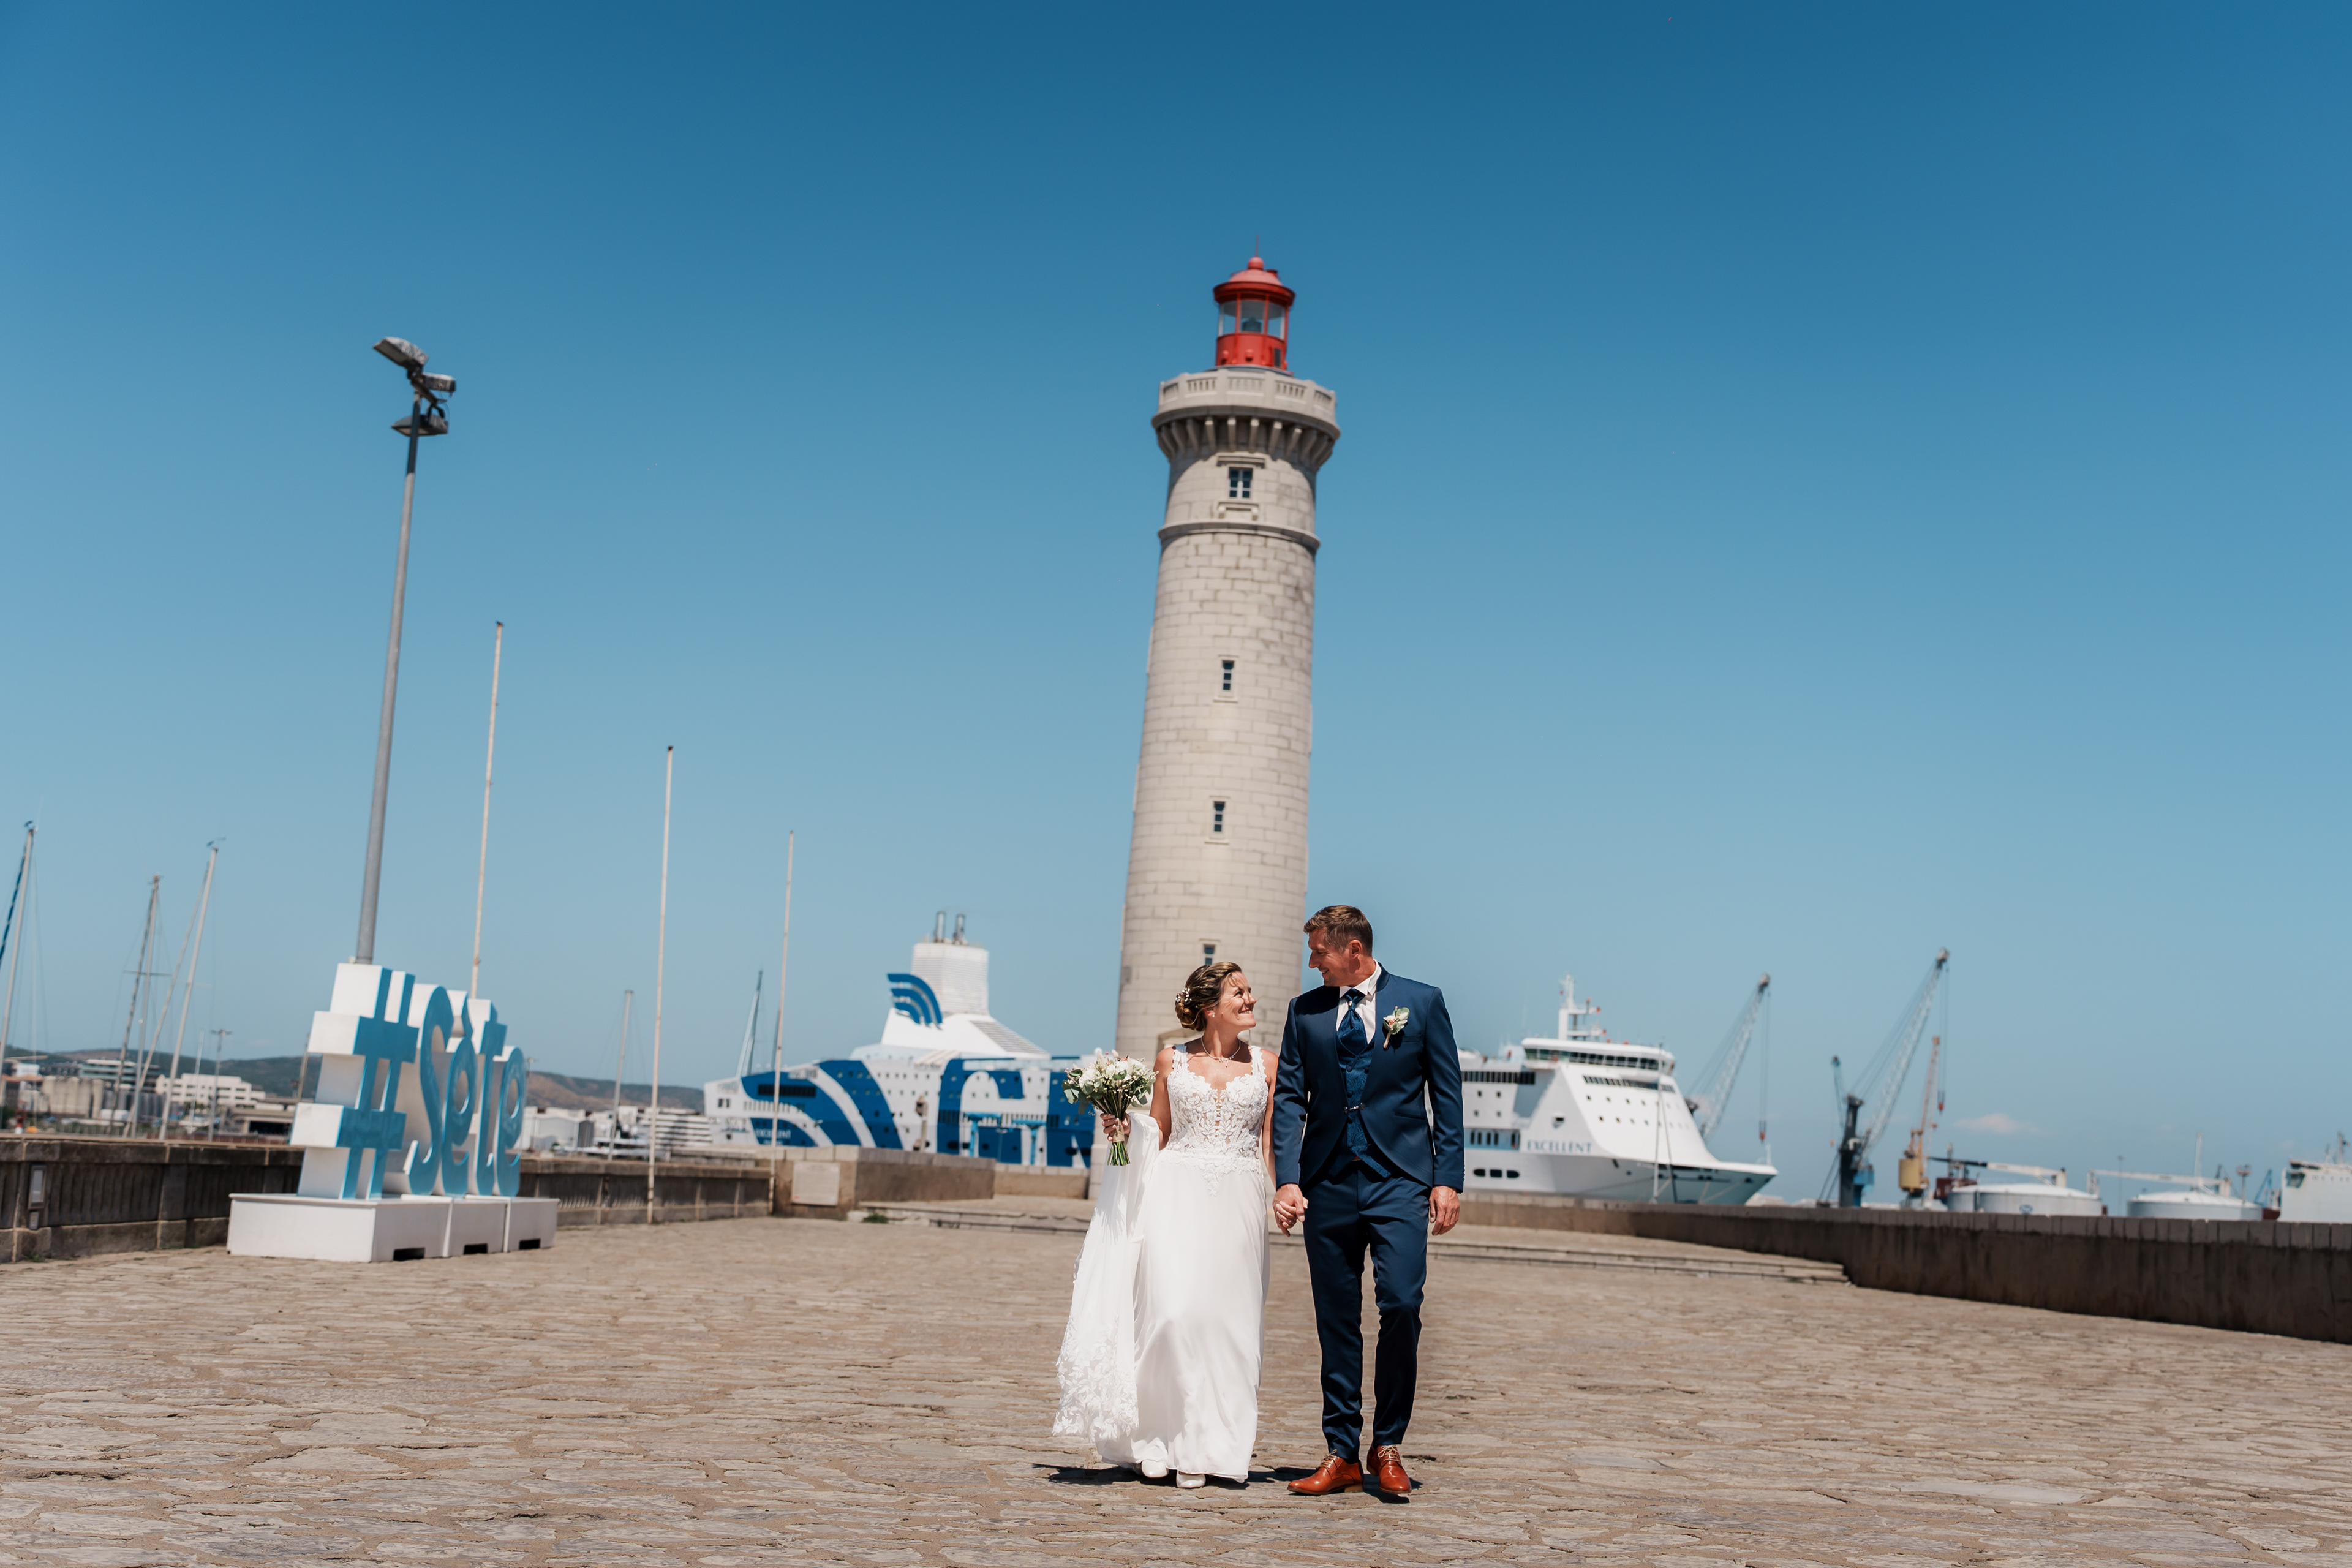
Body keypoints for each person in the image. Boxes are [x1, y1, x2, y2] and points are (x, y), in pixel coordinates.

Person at [1053, 962, 1275, 1487]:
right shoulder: (1170, 1060)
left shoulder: (1268, 1063)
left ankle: (1210, 1448)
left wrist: (1284, 1192)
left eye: (1249, 992)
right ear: (1209, 1006)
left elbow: (1271, 1142)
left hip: (1240, 1200)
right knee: (1170, 1316)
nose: (1251, 999)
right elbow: (1158, 1131)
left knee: (1228, 1326)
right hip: (1176, 1192)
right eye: (1239, 992)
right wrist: (1123, 1128)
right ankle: (1156, 1437)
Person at [1270, 906, 1464, 1500]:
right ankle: (1341, 1451)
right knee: (1336, 1320)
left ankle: (1388, 1444)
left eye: (1318, 952)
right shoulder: (1304, 1012)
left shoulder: (1420, 1002)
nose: (1311, 963)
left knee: (1402, 1302)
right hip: (1327, 1182)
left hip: (1399, 1180)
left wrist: (1447, 1177)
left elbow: (1447, 1094)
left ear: (1352, 950)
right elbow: (1289, 1100)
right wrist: (1286, 1177)